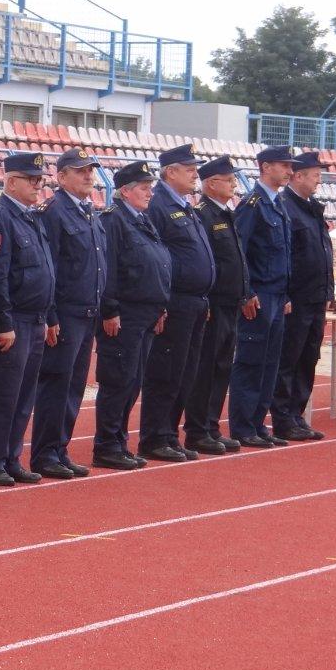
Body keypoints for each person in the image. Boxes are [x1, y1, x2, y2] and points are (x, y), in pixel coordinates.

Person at [0, 153, 56, 487]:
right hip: (15, 321)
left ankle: (12, 456)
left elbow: (45, 270)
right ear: (11, 182)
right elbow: (0, 277)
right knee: (3, 394)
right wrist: (3, 322)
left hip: (36, 318)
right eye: (31, 180)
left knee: (24, 396)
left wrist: (50, 316)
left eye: (40, 180)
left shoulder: (32, 217)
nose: (39, 186)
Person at [137, 144, 216, 462]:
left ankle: (169, 433)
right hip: (176, 302)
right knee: (165, 372)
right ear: (170, 172)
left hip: (196, 301)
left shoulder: (185, 205)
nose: (195, 173)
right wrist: (163, 302)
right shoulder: (158, 205)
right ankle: (154, 436)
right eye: (189, 168)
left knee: (185, 372)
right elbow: (157, 257)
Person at [31, 148, 106, 479]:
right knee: (56, 384)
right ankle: (45, 452)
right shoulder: (55, 212)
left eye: (91, 171)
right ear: (61, 177)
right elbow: (52, 268)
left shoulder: (88, 211)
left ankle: (59, 448)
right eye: (81, 171)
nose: (89, 176)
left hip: (88, 311)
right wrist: (52, 315)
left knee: (74, 385)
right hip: (66, 314)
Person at [92, 161, 171, 471]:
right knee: (118, 380)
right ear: (124, 191)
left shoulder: (141, 219)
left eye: (150, 187)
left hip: (146, 314)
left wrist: (160, 306)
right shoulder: (115, 221)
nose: (149, 193)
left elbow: (157, 263)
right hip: (124, 314)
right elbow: (108, 269)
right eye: (143, 188)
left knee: (133, 381)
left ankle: (119, 441)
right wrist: (110, 309)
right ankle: (107, 445)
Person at [229, 146, 297, 448]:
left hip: (277, 294)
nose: (289, 171)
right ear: (265, 167)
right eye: (284, 165)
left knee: (270, 363)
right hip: (258, 295)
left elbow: (284, 253)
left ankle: (258, 423)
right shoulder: (253, 204)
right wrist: (247, 292)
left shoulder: (277, 204)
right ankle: (243, 426)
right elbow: (239, 252)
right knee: (251, 362)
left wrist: (285, 293)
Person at [182, 156, 247, 454]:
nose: (234, 183)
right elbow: (207, 262)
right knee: (206, 368)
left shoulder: (227, 213)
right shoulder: (203, 214)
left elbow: (237, 259)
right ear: (211, 183)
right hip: (214, 303)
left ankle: (211, 425)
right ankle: (198, 430)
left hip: (230, 302)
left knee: (221, 367)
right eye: (228, 179)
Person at [269, 151, 332, 442]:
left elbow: (323, 252)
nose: (319, 179)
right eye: (315, 173)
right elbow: (283, 255)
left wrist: (329, 291)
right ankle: (283, 418)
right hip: (296, 298)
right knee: (289, 359)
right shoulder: (286, 208)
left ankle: (297, 414)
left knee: (309, 357)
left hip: (316, 297)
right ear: (298, 176)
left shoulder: (312, 208)